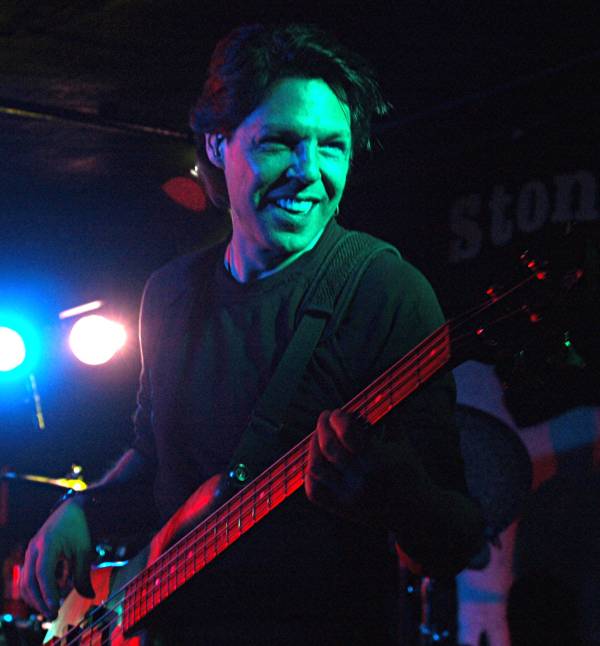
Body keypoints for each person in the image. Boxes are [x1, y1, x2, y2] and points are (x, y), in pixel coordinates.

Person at [20, 24, 485, 644]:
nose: (309, 172)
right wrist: (84, 508)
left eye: (333, 147)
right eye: (279, 143)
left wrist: (395, 493)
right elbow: (157, 458)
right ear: (217, 144)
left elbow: (455, 537)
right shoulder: (170, 292)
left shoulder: (384, 291)